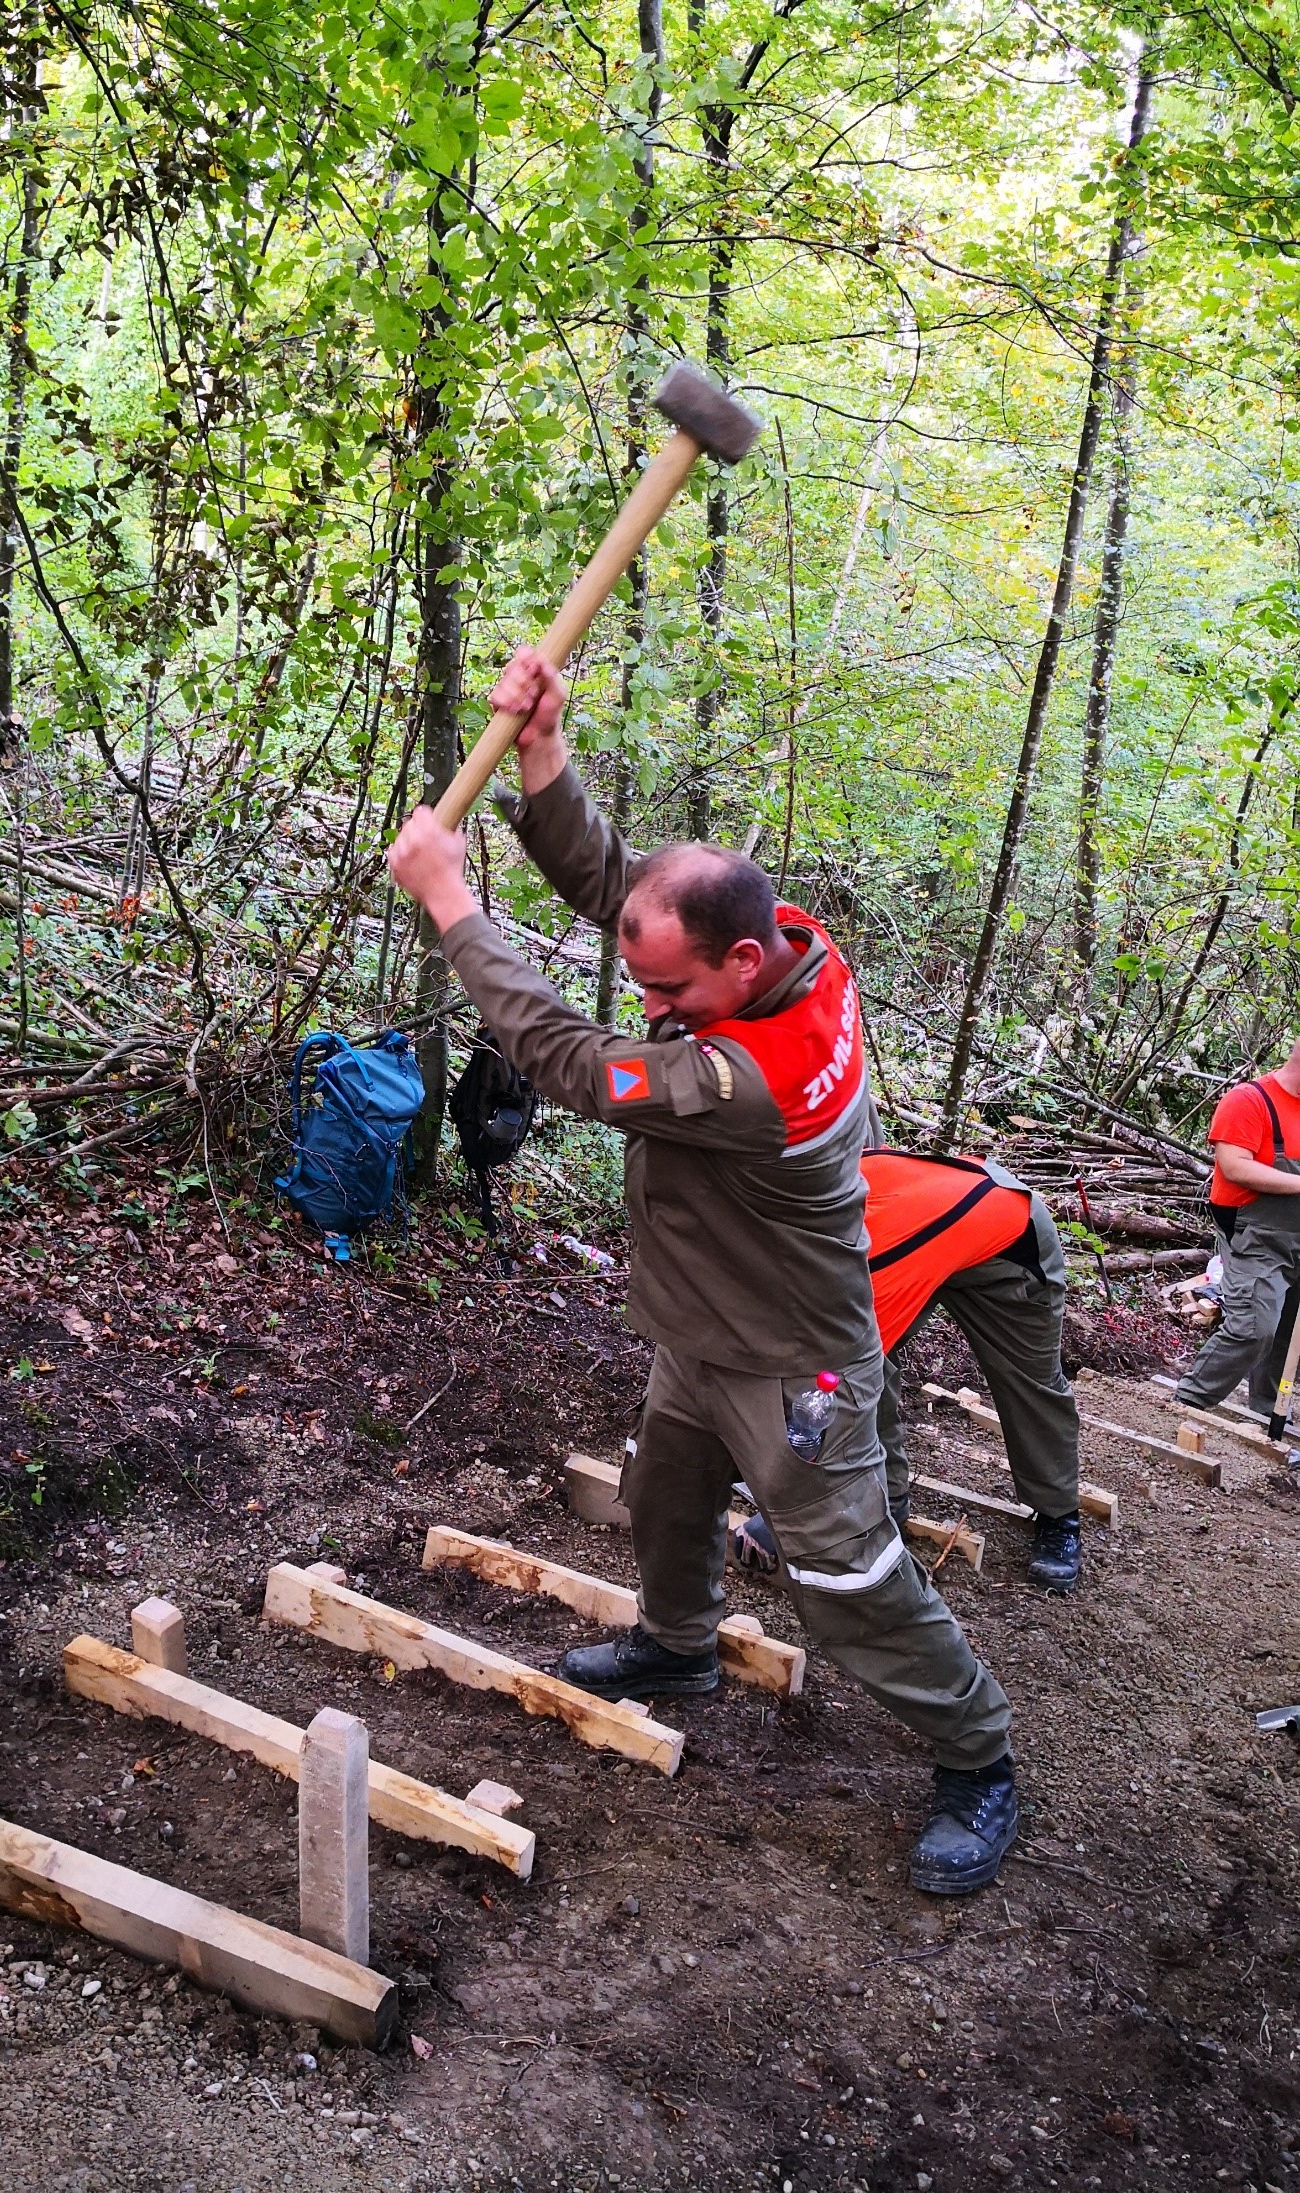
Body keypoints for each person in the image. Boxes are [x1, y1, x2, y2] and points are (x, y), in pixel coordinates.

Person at [386, 645, 1017, 1896]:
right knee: (665, 1501)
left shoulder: (753, 1080)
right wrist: (543, 755)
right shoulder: (783, 941)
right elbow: (627, 891)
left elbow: (575, 1065)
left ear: (736, 969)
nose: (653, 1003)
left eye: (669, 990)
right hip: (700, 1323)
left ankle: (976, 1751)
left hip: (790, 1355)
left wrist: (453, 906)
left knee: (844, 1573)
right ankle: (676, 1646)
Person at [732, 1150, 1084, 1593]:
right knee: (863, 1363)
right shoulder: (792, 1205)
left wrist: (790, 1514)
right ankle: (888, 1498)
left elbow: (843, 1385)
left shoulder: (864, 1258)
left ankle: (1059, 1516)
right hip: (930, 1219)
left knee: (1031, 1385)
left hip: (1007, 1239)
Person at [1175, 1040, 1300, 1417]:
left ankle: (1268, 1412)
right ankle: (1188, 1401)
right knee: (1254, 1326)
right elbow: (1234, 1166)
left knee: (1289, 1330)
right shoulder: (1249, 1100)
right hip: (1255, 1235)